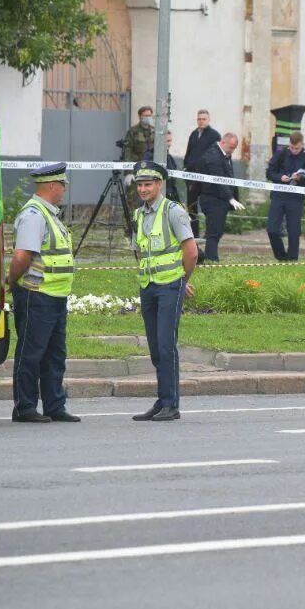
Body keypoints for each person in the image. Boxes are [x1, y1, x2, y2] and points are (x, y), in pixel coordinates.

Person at [6, 163, 79, 423]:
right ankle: (25, 407)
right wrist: (12, 281)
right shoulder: (35, 215)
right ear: (51, 186)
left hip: (55, 295)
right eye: (62, 185)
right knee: (31, 353)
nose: (64, 189)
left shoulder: (51, 214)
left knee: (55, 354)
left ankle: (54, 405)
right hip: (37, 294)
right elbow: (22, 256)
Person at [129, 161, 198, 422]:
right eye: (139, 185)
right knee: (156, 348)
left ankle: (171, 404)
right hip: (148, 286)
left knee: (167, 345)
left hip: (170, 286)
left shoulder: (173, 211)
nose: (143, 189)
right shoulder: (138, 214)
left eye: (148, 184)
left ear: (159, 185)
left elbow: (191, 252)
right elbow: (141, 251)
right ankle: (162, 400)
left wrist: (182, 279)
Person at [266, 132, 305, 261]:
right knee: (272, 229)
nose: (294, 151)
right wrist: (280, 177)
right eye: (292, 148)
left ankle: (292, 260)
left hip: (295, 198)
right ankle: (281, 256)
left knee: (294, 232)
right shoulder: (281, 153)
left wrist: (300, 178)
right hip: (279, 195)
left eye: (297, 148)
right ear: (289, 144)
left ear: (302, 145)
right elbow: (269, 172)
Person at [197, 131, 245, 262]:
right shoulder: (213, 156)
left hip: (219, 199)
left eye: (235, 148)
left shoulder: (223, 154)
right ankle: (212, 260)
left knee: (215, 231)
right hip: (213, 199)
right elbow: (219, 181)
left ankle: (205, 257)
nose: (232, 151)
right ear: (223, 142)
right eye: (231, 147)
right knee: (214, 232)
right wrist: (231, 198)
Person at [184, 109, 221, 237]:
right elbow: (189, 152)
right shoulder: (194, 134)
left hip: (206, 177)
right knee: (191, 205)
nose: (201, 121)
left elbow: (215, 156)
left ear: (209, 120)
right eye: (199, 119)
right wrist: (185, 166)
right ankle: (194, 234)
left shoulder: (214, 135)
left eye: (204, 119)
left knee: (207, 205)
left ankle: (209, 233)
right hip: (191, 175)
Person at [143, 130, 184, 204]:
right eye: (167, 141)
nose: (169, 144)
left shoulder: (169, 157)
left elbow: (172, 180)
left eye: (170, 141)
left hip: (169, 195)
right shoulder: (149, 156)